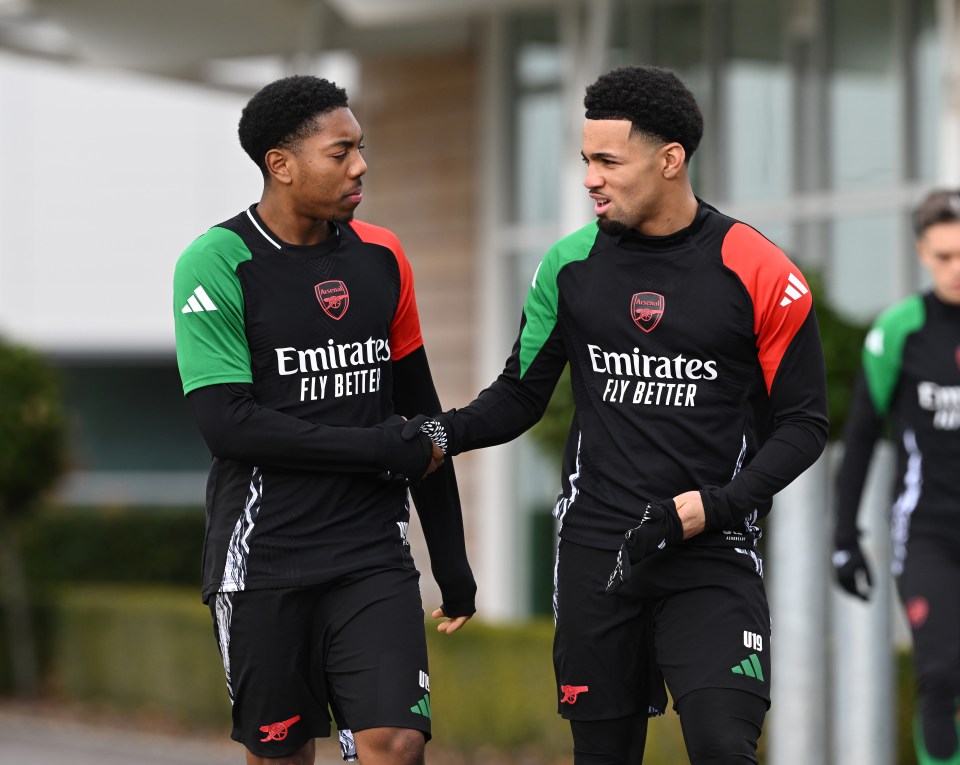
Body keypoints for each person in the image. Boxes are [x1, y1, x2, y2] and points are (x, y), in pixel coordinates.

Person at [393, 65, 829, 763]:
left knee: (725, 744)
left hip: (712, 552)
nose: (590, 178)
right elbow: (519, 395)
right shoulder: (569, 266)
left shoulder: (759, 270)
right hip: (598, 553)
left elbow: (805, 423)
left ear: (669, 159)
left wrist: (717, 505)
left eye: (607, 161)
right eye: (584, 160)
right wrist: (443, 431)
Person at [172, 75, 476, 765]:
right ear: (281, 164)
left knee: (395, 742)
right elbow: (230, 425)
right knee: (283, 755)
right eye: (340, 152)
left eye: (361, 148)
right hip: (264, 559)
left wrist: (451, 560)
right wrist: (377, 447)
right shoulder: (217, 263)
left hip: (371, 553)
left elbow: (419, 419)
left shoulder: (382, 256)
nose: (361, 165)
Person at [832, 189, 960, 765]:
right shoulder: (899, 331)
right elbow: (859, 437)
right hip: (927, 530)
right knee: (939, 672)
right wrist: (843, 538)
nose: (955, 269)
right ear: (921, 254)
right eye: (942, 257)